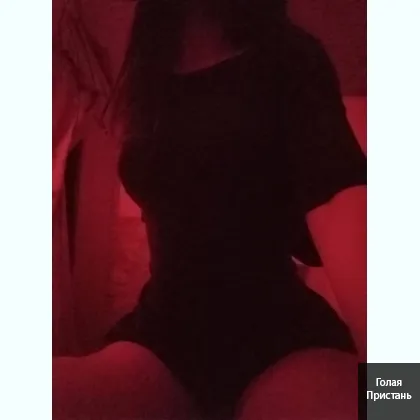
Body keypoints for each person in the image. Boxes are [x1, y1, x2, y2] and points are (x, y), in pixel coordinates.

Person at [53, 0, 367, 419]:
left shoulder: (289, 58)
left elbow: (340, 200)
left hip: (276, 335)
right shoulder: (150, 69)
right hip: (165, 337)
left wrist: (400, 388)